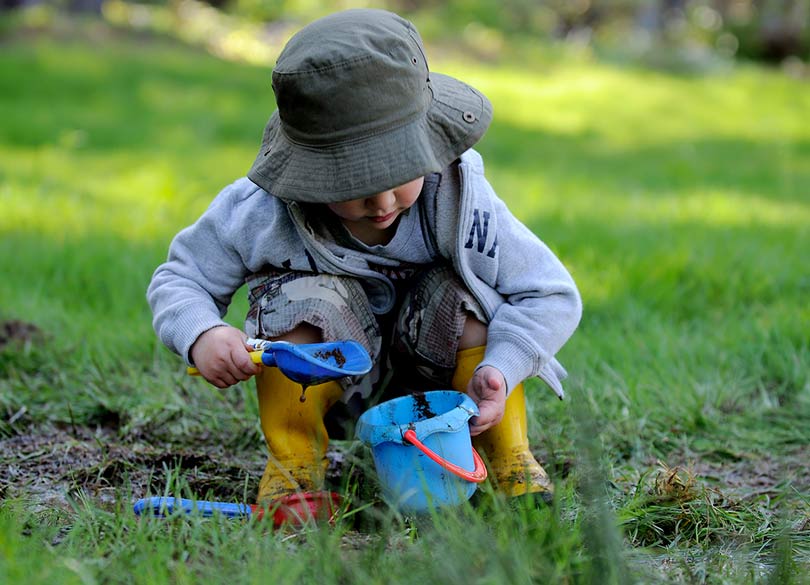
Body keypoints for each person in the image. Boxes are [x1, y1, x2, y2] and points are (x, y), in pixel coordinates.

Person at [147, 8, 582, 510]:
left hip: (446, 391)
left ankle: (508, 458)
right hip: (329, 385)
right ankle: (295, 466)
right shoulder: (262, 211)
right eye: (353, 187)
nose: (381, 203)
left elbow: (549, 292)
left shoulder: (460, 202)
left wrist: (503, 368)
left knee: (465, 294)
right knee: (296, 298)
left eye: (400, 175)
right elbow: (181, 278)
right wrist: (203, 332)